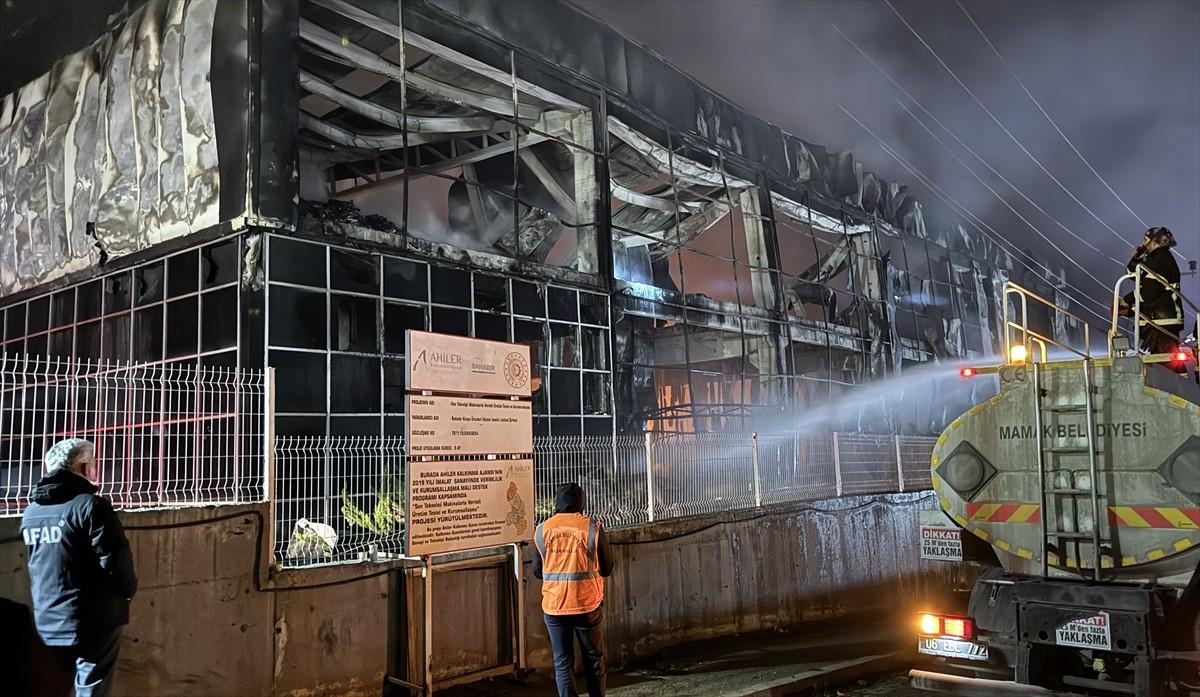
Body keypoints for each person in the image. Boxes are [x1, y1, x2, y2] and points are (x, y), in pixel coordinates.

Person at [20, 438, 137, 697]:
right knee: (92, 687)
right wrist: (127, 591)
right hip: (94, 621)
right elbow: (115, 559)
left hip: (48, 621)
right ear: (84, 468)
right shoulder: (91, 506)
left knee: (54, 686)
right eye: (94, 464)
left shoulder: (32, 513)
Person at [532, 483, 614, 697]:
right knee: (594, 660)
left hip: (554, 607)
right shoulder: (592, 527)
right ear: (580, 502)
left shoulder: (542, 529)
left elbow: (537, 571)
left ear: (557, 502)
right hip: (586, 605)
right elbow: (607, 567)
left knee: (563, 662)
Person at [1120, 226, 1183, 357]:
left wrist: (1127, 300)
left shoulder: (1161, 258)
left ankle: (1172, 378)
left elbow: (1151, 290)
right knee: (1166, 363)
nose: (1143, 244)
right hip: (1159, 321)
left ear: (1154, 242)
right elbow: (1133, 276)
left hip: (1162, 323)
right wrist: (1136, 259)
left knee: (1166, 363)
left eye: (1145, 240)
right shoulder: (1154, 259)